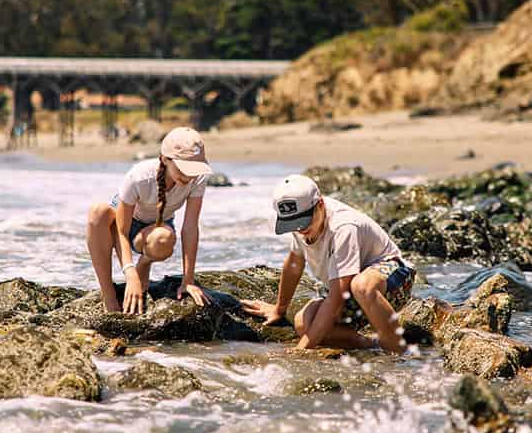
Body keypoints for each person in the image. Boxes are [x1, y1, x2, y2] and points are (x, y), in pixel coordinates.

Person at [241, 174, 415, 354]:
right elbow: (294, 264)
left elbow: (337, 298)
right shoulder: (302, 224)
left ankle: (399, 350)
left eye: (303, 222)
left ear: (320, 205)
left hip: (393, 279)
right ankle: (372, 345)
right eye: (293, 224)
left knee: (362, 286)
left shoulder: (343, 227)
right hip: (350, 288)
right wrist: (279, 309)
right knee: (303, 323)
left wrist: (301, 350)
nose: (300, 229)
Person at [85, 127, 213, 313]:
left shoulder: (197, 179)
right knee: (97, 211)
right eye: (184, 168)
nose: (190, 175)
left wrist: (188, 281)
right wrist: (130, 276)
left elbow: (190, 227)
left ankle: (144, 263)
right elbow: (121, 231)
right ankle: (109, 295)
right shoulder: (140, 175)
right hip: (120, 227)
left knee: (163, 239)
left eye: (194, 169)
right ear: (165, 159)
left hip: (156, 227)